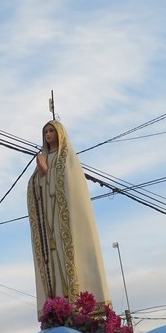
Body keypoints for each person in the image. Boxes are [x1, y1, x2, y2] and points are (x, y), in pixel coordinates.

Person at [27, 120, 111, 314]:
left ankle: (78, 306)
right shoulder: (45, 158)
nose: (48, 134)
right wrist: (40, 175)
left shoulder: (68, 161)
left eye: (51, 131)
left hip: (65, 224)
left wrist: (47, 173)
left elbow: (70, 186)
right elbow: (35, 188)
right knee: (53, 261)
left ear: (60, 134)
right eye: (45, 131)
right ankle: (57, 304)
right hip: (49, 220)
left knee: (70, 262)